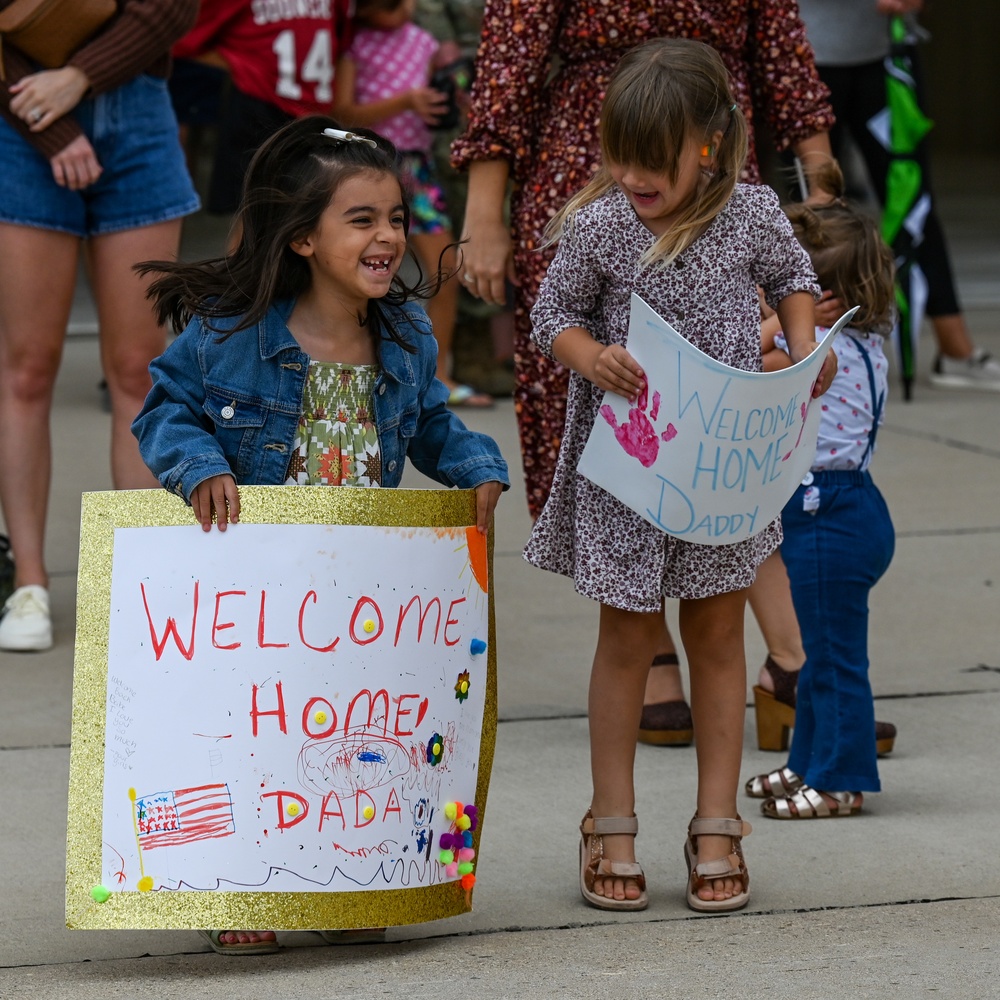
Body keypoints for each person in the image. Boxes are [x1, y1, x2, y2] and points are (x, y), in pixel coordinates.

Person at [132, 115, 509, 953]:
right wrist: (199, 467)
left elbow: (433, 427)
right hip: (256, 593)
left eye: (396, 219)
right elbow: (165, 409)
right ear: (301, 238)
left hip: (358, 599)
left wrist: (477, 468)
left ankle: (352, 872)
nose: (388, 238)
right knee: (255, 732)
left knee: (349, 738)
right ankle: (245, 885)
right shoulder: (233, 336)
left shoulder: (405, 337)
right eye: (362, 220)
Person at [452, 0, 838, 737]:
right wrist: (485, 208)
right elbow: (509, 60)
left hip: (705, 164)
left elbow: (784, 54)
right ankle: (649, 645)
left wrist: (821, 185)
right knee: (621, 446)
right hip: (591, 160)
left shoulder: (748, 211)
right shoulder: (602, 215)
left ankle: (785, 658)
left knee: (728, 436)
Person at [523, 39, 835, 912]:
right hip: (632, 472)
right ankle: (610, 819)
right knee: (628, 640)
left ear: (709, 143)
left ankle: (714, 819)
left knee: (716, 639)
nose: (632, 175)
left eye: (654, 160)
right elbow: (553, 311)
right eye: (619, 155)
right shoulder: (601, 224)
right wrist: (591, 355)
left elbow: (794, 276)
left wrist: (803, 347)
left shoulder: (753, 214)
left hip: (725, 469)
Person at [0, 0, 200, 652]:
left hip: (136, 112)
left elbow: (173, 7)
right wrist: (52, 126)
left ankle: (140, 583)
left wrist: (78, 77)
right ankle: (29, 582)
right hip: (17, 117)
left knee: (139, 368)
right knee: (28, 368)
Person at [746, 162, 895, 818]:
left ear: (820, 298)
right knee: (817, 655)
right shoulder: (865, 341)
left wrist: (778, 324)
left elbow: (738, 365)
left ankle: (840, 780)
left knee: (832, 663)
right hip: (840, 508)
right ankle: (807, 762)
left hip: (826, 512)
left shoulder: (810, 353)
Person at [796, 0, 1000, 390]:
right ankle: (805, 345)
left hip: (886, 49)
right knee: (813, 208)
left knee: (913, 202)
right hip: (806, 53)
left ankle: (955, 347)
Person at [334, 0, 492, 409]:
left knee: (446, 265)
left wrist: (457, 94)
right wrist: (406, 101)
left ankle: (437, 375)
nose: (402, 8)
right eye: (387, 5)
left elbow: (454, 93)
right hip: (369, 166)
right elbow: (343, 112)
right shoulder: (353, 48)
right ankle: (355, 367)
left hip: (416, 171)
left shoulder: (423, 40)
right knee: (357, 272)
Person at [172, 0, 354, 216]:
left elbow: (345, 42)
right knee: (252, 214)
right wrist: (241, 64)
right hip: (260, 104)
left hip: (315, 110)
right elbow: (182, 40)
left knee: (309, 211)